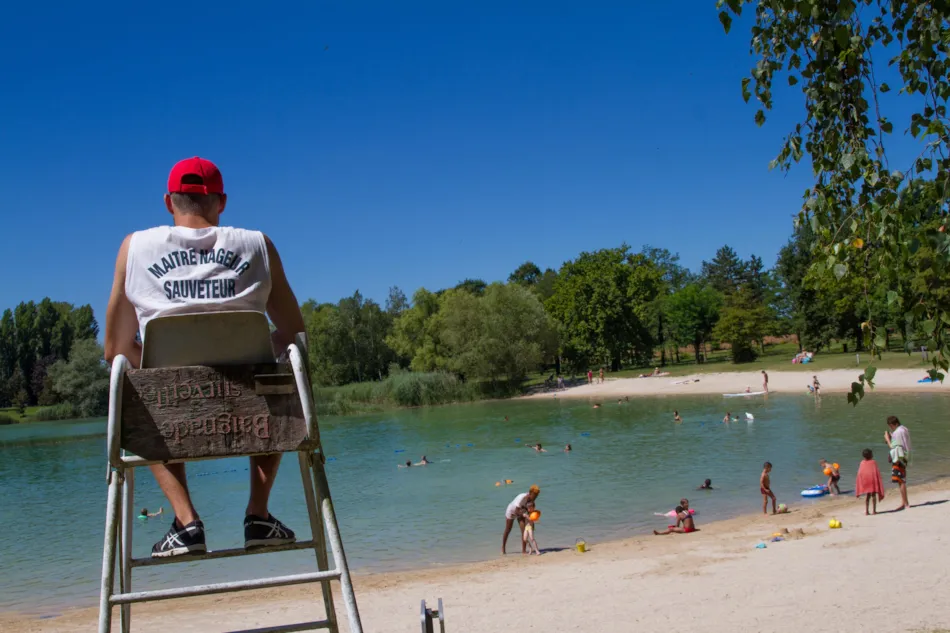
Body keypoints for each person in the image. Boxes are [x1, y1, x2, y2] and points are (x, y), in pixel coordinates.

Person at [104, 157, 303, 558]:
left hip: (169, 410)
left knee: (139, 389)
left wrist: (162, 367)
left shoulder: (134, 248)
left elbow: (115, 350)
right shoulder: (258, 245)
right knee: (278, 371)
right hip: (252, 409)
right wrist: (248, 361)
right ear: (221, 201)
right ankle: (258, 515)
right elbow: (294, 333)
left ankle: (186, 523)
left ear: (168, 202)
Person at [502, 485, 540, 554]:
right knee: (508, 529)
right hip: (512, 511)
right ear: (530, 493)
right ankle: (503, 548)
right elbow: (516, 511)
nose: (535, 498)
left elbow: (530, 513)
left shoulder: (532, 502)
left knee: (524, 530)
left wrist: (532, 521)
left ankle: (524, 551)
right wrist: (524, 515)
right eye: (534, 496)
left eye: (536, 496)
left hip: (521, 513)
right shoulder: (522, 497)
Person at [885, 415, 912, 510]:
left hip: (899, 458)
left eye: (891, 426)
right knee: (901, 480)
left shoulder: (897, 432)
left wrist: (888, 439)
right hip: (905, 456)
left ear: (894, 424)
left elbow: (893, 447)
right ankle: (904, 502)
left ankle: (906, 503)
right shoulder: (904, 429)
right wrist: (892, 436)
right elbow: (902, 442)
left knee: (901, 481)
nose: (891, 427)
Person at [855, 448, 885, 515]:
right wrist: (879, 479)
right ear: (870, 455)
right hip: (872, 480)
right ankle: (874, 511)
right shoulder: (873, 462)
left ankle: (867, 511)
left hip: (865, 481)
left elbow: (860, 473)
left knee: (868, 496)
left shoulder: (862, 462)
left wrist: (860, 481)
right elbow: (876, 472)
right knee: (873, 495)